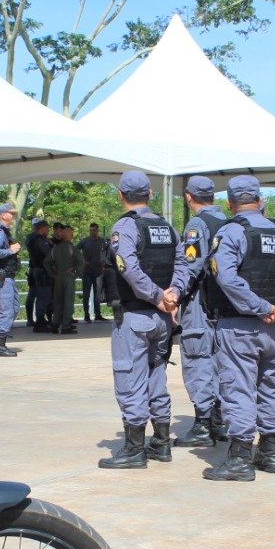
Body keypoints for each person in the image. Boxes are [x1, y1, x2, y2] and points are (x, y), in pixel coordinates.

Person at [201, 175, 275, 481]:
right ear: (259, 201)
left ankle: (240, 459)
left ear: (231, 204)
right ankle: (270, 452)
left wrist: (260, 308)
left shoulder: (231, 233)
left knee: (238, 389)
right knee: (270, 385)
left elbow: (227, 278)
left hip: (242, 325)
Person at [98, 171, 189, 469]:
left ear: (120, 195)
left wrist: (156, 296)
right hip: (162, 318)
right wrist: (172, 294)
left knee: (130, 378)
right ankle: (161, 442)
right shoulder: (166, 226)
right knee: (156, 376)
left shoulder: (124, 227)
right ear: (150, 194)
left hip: (136, 315)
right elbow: (182, 263)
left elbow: (129, 269)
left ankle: (134, 448)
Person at [174, 176, 228, 448]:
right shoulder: (227, 221)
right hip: (223, 304)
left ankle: (203, 424)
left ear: (189, 196)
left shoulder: (197, 224)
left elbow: (190, 265)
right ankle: (218, 420)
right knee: (218, 360)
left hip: (200, 302)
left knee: (197, 358)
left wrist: (174, 294)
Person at [0, 204, 21, 357]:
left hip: (8, 277)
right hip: (2, 278)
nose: (12, 216)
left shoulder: (5, 233)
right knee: (7, 310)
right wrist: (10, 251)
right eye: (10, 213)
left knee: (14, 307)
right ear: (2, 215)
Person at [45, 222, 81, 334]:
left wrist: (53, 274)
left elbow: (46, 262)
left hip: (58, 277)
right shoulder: (72, 248)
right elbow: (81, 261)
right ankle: (66, 326)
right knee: (68, 301)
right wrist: (76, 273)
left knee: (58, 302)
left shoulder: (55, 249)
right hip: (69, 277)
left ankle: (55, 324)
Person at [25, 219, 54, 332]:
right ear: (42, 228)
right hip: (42, 271)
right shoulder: (39, 240)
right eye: (47, 228)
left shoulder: (33, 239)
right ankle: (40, 320)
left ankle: (41, 319)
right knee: (43, 296)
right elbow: (47, 254)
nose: (48, 230)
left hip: (37, 270)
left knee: (40, 295)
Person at [79, 222, 107, 323]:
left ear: (97, 230)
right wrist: (82, 260)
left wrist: (104, 263)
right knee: (86, 294)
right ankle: (86, 315)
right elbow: (74, 250)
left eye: (94, 230)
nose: (92, 232)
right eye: (90, 230)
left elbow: (105, 253)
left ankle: (98, 314)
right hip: (86, 272)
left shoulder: (102, 241)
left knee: (97, 294)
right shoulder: (84, 241)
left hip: (98, 271)